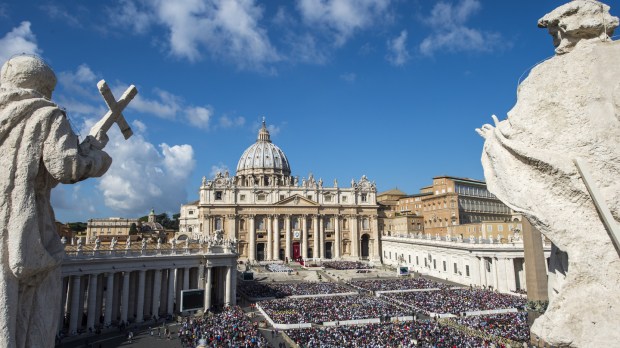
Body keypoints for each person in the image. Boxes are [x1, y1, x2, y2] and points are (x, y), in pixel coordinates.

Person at [0, 55, 112, 348]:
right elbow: (66, 167)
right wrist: (97, 157)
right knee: (33, 306)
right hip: (23, 223)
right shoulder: (45, 113)